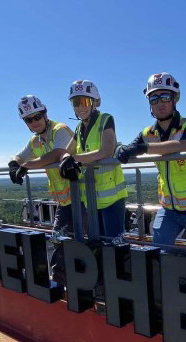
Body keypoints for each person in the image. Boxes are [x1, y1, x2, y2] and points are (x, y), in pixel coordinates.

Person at [116, 72, 186, 249]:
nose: (160, 103)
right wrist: (120, 150)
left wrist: (144, 149)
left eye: (165, 97)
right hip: (169, 208)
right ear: (149, 104)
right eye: (154, 99)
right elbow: (129, 148)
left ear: (175, 98)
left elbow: (184, 145)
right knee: (159, 248)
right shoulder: (148, 133)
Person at [59, 80, 127, 240]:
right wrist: (66, 159)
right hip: (91, 198)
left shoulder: (105, 119)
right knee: (96, 243)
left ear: (94, 102)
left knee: (114, 245)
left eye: (84, 101)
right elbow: (66, 152)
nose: (80, 107)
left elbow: (106, 151)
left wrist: (74, 159)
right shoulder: (79, 128)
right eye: (76, 102)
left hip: (112, 199)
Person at [9, 95, 77, 233]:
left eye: (37, 116)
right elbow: (19, 156)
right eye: (29, 120)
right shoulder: (35, 140)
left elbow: (57, 154)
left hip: (81, 197)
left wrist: (27, 165)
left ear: (45, 114)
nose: (34, 122)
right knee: (59, 240)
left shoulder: (60, 130)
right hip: (64, 202)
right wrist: (13, 164)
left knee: (85, 243)